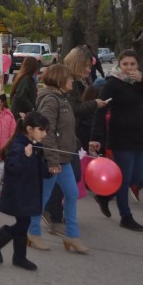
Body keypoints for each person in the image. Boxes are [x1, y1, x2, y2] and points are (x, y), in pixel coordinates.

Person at [90, 49, 143, 232]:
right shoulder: (113, 83)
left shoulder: (140, 83)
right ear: (119, 65)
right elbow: (100, 110)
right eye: (125, 64)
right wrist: (96, 137)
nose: (129, 68)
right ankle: (125, 216)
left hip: (140, 137)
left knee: (137, 177)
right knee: (125, 177)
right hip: (121, 137)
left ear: (138, 65)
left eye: (133, 64)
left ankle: (105, 196)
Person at [44, 47, 109, 235]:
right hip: (61, 142)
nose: (89, 70)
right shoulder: (63, 86)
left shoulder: (75, 83)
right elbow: (70, 111)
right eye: (87, 66)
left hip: (69, 140)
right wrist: (94, 104)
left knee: (70, 180)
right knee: (64, 181)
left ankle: (53, 213)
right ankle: (53, 216)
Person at [26, 64, 89, 253]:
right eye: (69, 78)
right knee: (43, 198)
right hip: (53, 159)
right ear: (60, 79)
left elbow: (64, 129)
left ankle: (72, 235)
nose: (72, 80)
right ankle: (32, 232)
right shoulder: (51, 100)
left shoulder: (62, 99)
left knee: (71, 194)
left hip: (64, 158)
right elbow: (47, 132)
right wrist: (52, 160)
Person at [0, 112, 50, 271]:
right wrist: (25, 156)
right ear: (29, 129)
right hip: (19, 193)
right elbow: (12, 168)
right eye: (41, 130)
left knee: (23, 223)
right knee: (23, 223)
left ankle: (19, 257)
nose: (45, 134)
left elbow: (41, 169)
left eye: (46, 130)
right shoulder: (19, 146)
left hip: (29, 191)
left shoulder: (34, 145)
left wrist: (49, 170)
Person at [10, 56, 39, 120]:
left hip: (19, 111)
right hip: (22, 113)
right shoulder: (26, 79)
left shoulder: (22, 77)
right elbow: (20, 95)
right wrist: (32, 108)